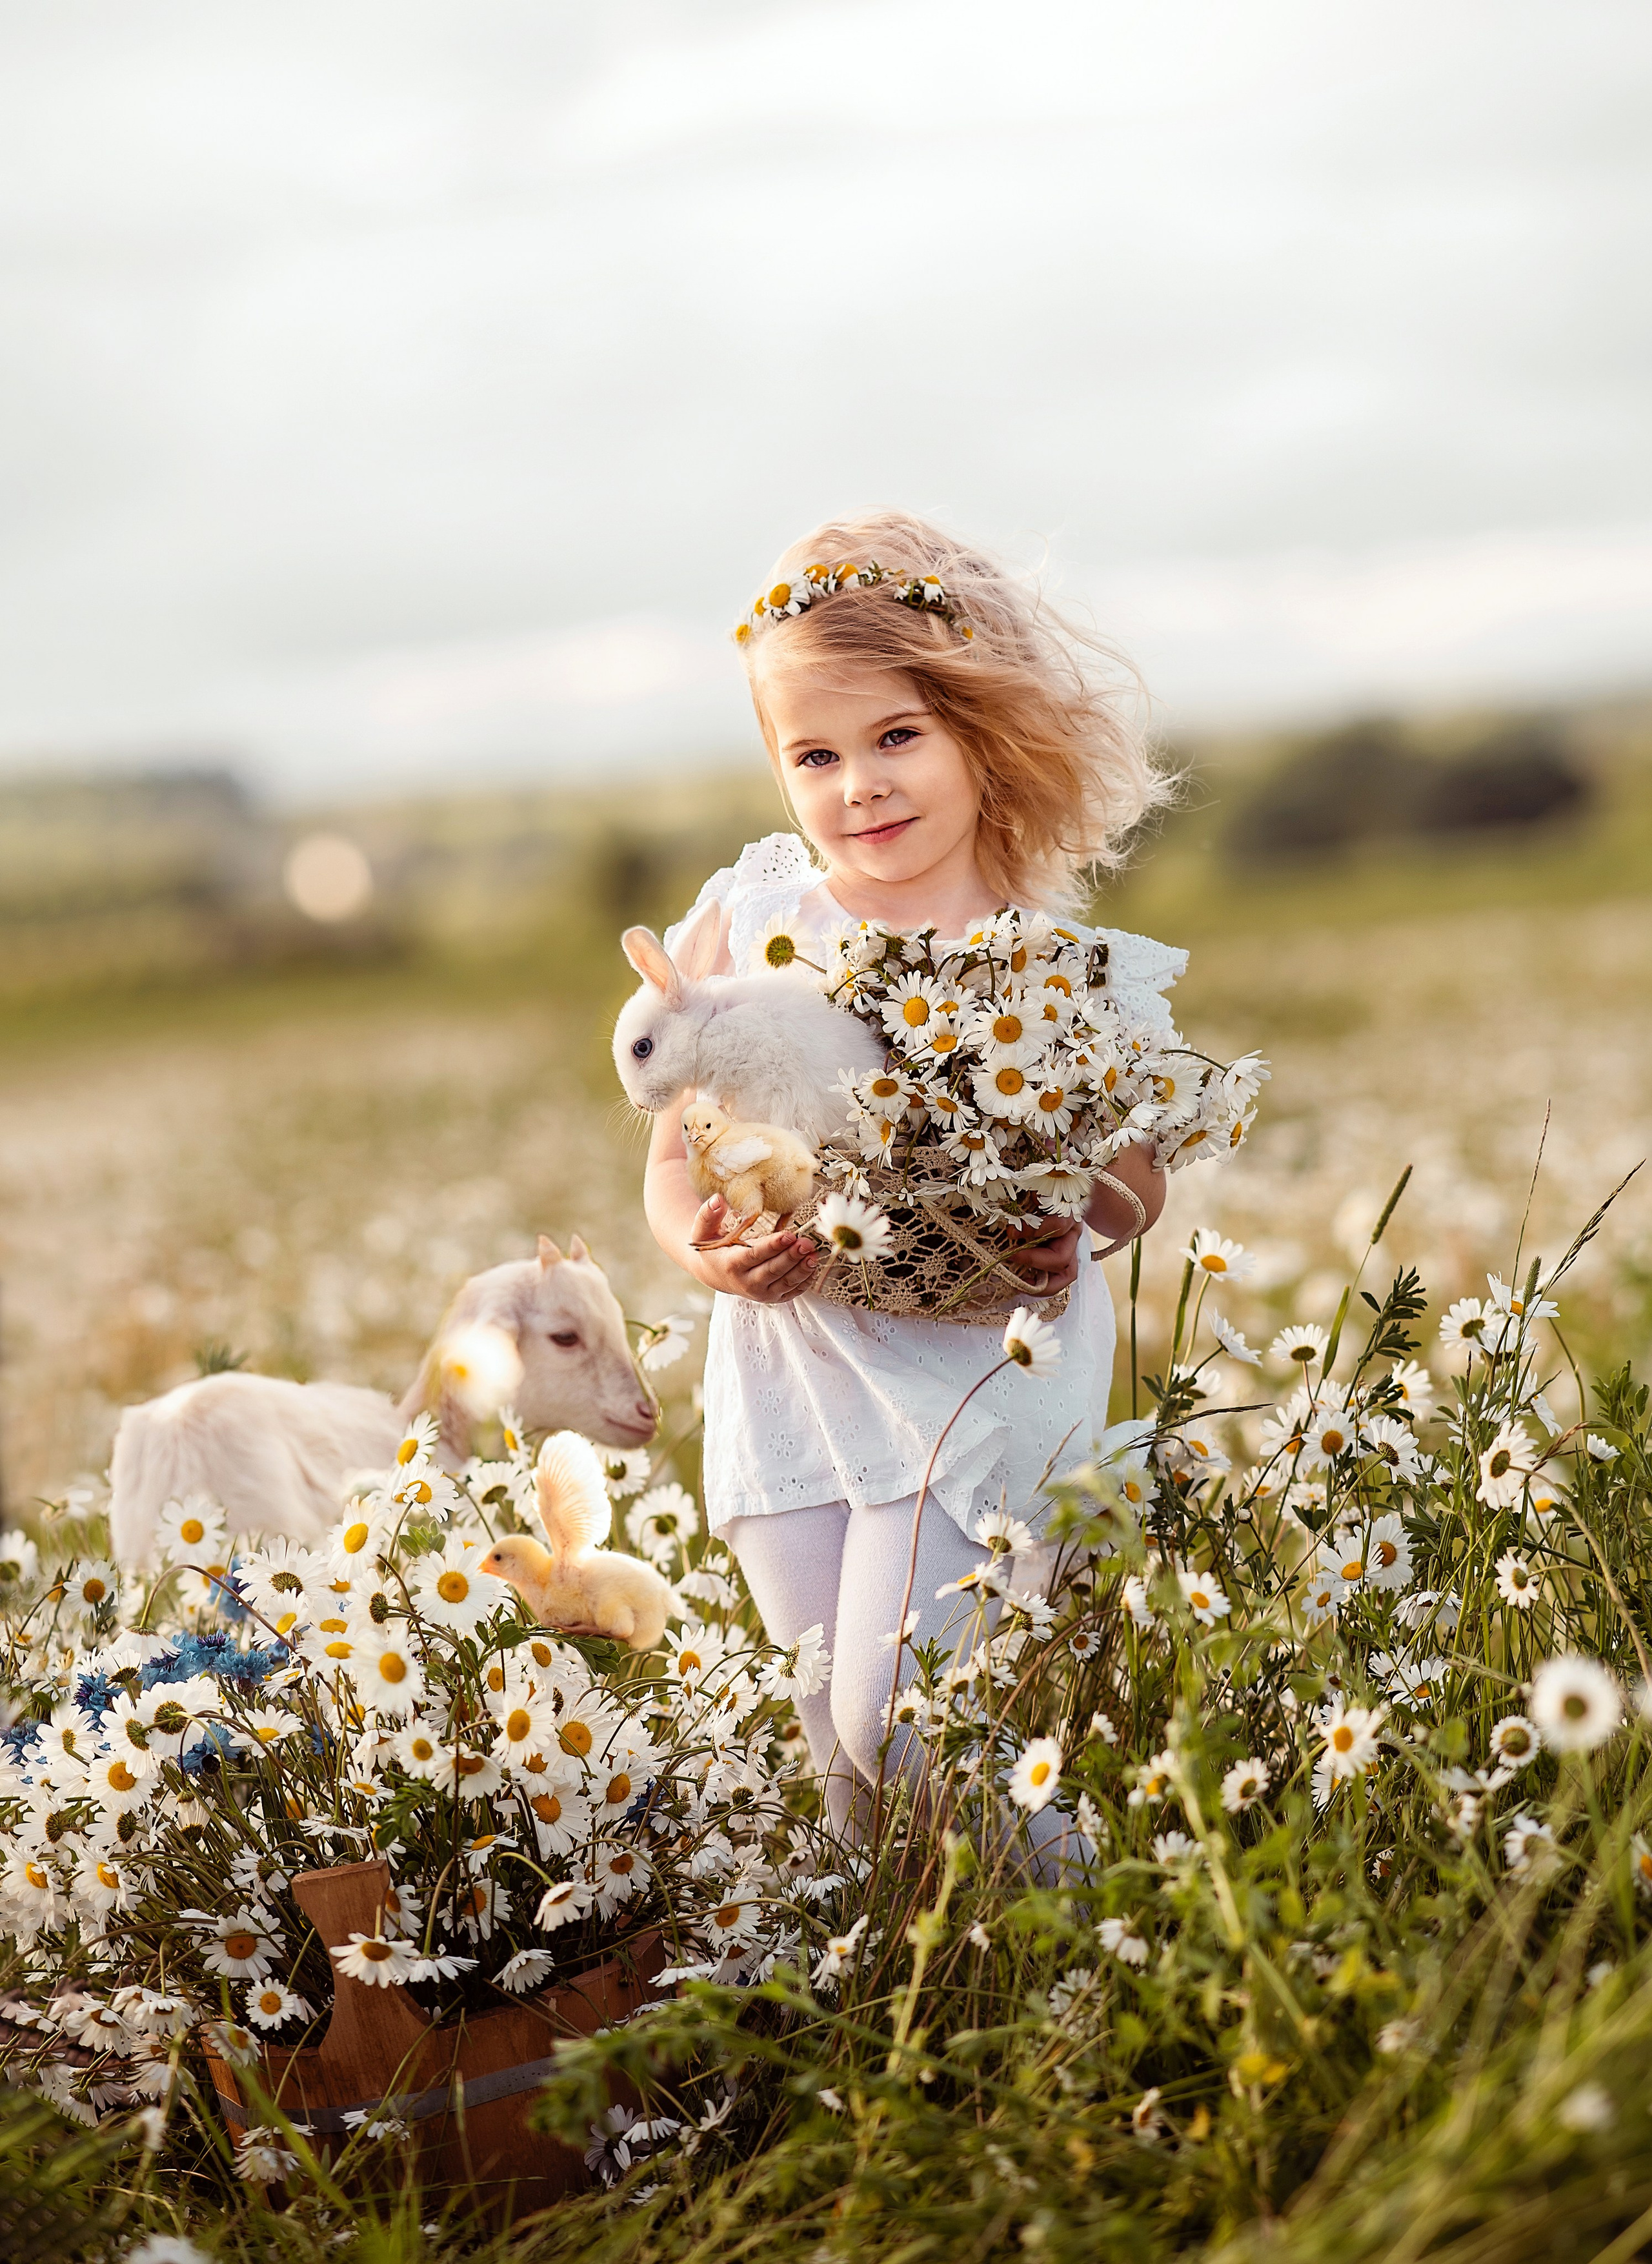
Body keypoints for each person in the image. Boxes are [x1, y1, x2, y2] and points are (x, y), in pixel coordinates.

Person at [640, 509, 1179, 1841]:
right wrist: (702, 1250)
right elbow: (669, 1153)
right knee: (833, 1734)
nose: (857, 786)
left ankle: (1094, 1958)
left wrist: (1078, 1222)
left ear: (974, 733)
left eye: (895, 737)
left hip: (974, 1363)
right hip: (792, 1364)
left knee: (910, 1711)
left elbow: (1131, 1180)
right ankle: (916, 1998)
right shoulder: (751, 920)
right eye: (812, 754)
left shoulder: (1041, 958)